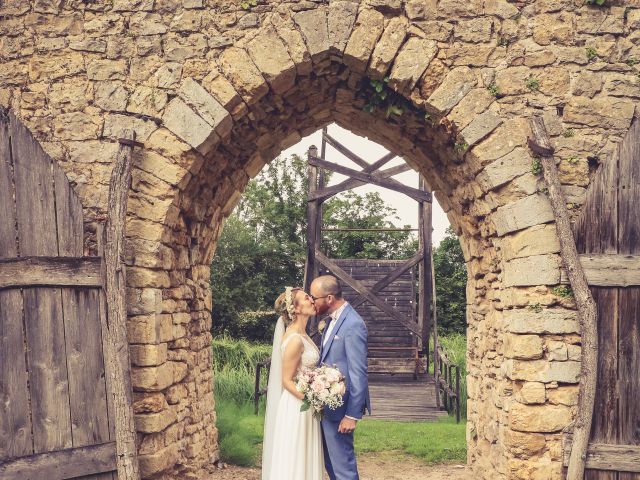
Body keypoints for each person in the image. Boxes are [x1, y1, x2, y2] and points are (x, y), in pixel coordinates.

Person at [310, 275, 371, 480]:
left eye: (314, 297)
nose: (312, 301)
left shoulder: (353, 324)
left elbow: (358, 372)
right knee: (331, 465)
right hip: (327, 407)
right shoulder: (331, 321)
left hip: (341, 411)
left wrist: (352, 416)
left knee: (343, 468)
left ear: (329, 298)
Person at [262, 286, 324, 480]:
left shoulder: (303, 335)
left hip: (305, 404)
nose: (312, 300)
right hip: (298, 406)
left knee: (304, 454)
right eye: (307, 298)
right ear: (295, 309)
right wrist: (312, 399)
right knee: (295, 457)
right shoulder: (295, 339)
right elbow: (286, 381)